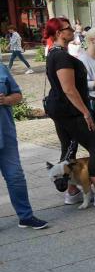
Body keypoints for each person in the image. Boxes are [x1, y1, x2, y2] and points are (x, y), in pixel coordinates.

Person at [43, 18, 95, 209]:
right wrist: (85, 112)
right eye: (67, 28)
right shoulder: (61, 57)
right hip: (71, 111)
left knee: (69, 148)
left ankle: (72, 192)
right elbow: (69, 89)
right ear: (59, 33)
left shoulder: (55, 54)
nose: (72, 30)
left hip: (61, 109)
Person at [0, 63, 48, 229]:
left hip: (5, 133)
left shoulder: (1, 68)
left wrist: (6, 100)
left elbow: (18, 95)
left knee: (15, 176)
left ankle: (25, 216)